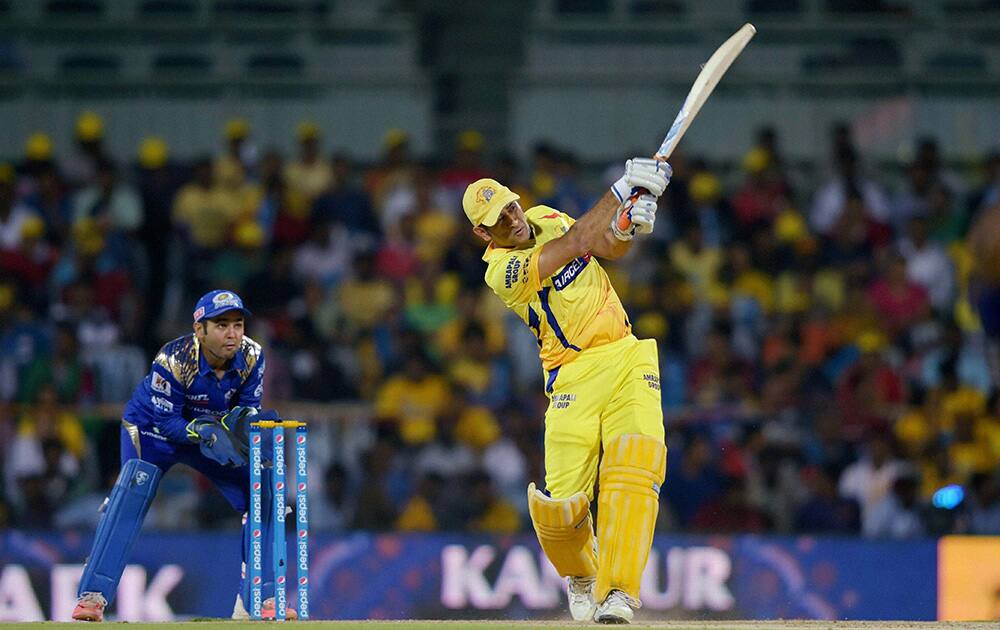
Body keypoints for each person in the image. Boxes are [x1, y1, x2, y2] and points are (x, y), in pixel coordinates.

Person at [462, 155, 671, 623]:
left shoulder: (545, 216)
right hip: (572, 373)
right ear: (483, 233)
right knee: (561, 506)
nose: (512, 221)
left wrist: (626, 226)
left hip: (625, 352)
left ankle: (619, 593)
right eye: (498, 221)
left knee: (635, 466)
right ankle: (581, 574)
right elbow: (575, 243)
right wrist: (620, 190)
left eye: (511, 208)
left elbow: (602, 247)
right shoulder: (501, 272)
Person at [71, 290, 282, 622]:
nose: (233, 334)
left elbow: (245, 411)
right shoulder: (174, 359)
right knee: (133, 492)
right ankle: (93, 597)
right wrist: (204, 430)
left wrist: (250, 432)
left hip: (209, 434)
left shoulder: (253, 355)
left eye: (238, 325)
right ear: (200, 329)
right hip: (153, 431)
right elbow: (166, 421)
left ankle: (256, 601)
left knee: (264, 492)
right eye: (222, 325)